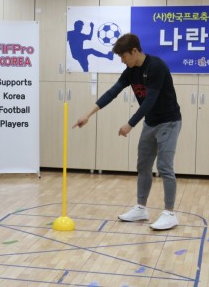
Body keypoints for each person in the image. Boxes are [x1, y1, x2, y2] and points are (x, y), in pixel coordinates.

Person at [72, 33, 182, 230]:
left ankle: (170, 213)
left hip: (169, 122)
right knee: (143, 165)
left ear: (134, 51)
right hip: (151, 122)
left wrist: (130, 123)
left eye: (123, 56)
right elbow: (112, 93)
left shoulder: (156, 66)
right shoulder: (130, 71)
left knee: (165, 167)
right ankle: (141, 208)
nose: (122, 61)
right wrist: (88, 114)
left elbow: (150, 100)